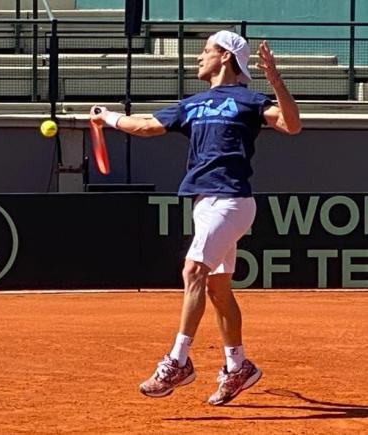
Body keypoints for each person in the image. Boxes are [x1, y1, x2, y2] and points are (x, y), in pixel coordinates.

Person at [90, 30, 301, 405]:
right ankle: (238, 366)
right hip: (203, 204)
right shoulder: (192, 104)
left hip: (232, 201)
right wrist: (108, 117)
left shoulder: (250, 101)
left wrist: (277, 82)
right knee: (218, 289)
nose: (198, 57)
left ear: (226, 57)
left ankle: (178, 362)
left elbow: (292, 124)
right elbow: (146, 126)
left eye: (206, 51)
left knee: (193, 271)